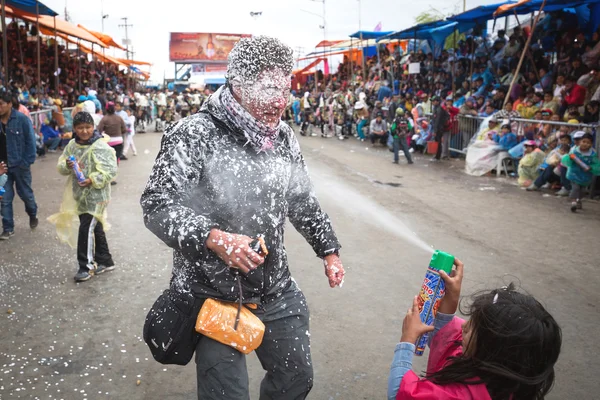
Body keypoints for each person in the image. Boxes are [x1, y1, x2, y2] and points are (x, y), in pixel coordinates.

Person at [141, 35, 345, 400]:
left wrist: (328, 249)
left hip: (277, 289)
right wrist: (215, 239)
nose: (280, 101)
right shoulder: (193, 134)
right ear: (237, 84)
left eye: (286, 88)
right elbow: (157, 205)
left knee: (296, 381)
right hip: (214, 295)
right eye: (269, 88)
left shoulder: (282, 136)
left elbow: (301, 200)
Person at [388, 260, 562, 400]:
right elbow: (446, 340)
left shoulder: (457, 396)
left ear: (492, 349)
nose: (463, 325)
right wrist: (451, 298)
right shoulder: (505, 378)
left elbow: (400, 394)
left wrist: (407, 341)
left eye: (473, 327)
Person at [50, 112, 118, 282]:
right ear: (74, 128)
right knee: (95, 227)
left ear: (93, 127)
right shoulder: (72, 145)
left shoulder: (99, 146)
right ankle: (105, 260)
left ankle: (85, 266)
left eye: (88, 127)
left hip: (97, 196)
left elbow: (111, 171)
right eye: (80, 128)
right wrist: (67, 165)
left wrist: (92, 179)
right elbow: (62, 167)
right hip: (80, 195)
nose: (84, 131)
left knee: (86, 228)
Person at [0, 91, 38, 240]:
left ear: (9, 104)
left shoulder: (22, 119)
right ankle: (8, 228)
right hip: (3, 168)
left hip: (20, 166)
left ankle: (33, 214)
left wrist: (26, 163)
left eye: (1, 104)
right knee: (5, 198)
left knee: (26, 195)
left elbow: (31, 142)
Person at [561, 132, 600, 212]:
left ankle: (578, 200)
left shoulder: (592, 154)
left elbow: (596, 164)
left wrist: (591, 167)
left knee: (582, 191)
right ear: (580, 142)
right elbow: (567, 161)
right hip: (574, 174)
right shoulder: (574, 151)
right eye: (583, 141)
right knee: (575, 188)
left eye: (588, 142)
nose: (585, 144)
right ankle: (573, 202)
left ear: (591, 144)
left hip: (585, 176)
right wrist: (569, 158)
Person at [431, 96, 449, 161]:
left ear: (438, 101)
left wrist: (435, 130)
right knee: (437, 141)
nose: (432, 102)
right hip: (437, 127)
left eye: (434, 101)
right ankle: (436, 155)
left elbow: (437, 120)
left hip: (438, 128)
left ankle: (437, 156)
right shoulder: (436, 108)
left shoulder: (439, 109)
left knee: (438, 142)